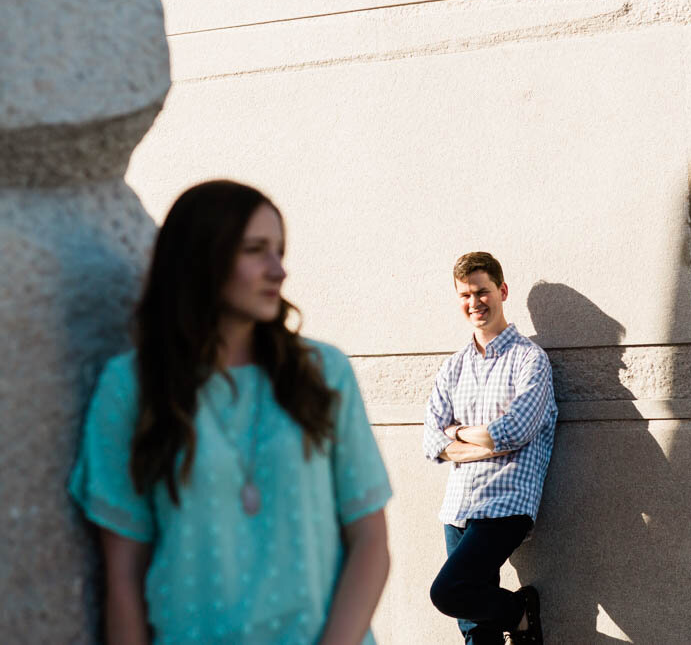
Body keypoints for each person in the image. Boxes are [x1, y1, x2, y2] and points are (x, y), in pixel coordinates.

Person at [69, 180, 392, 645]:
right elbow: (123, 576)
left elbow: (370, 542)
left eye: (280, 250)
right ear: (201, 258)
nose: (278, 270)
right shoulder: (131, 387)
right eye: (255, 250)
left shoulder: (324, 374)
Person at [423, 252, 557, 645]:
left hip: (505, 503)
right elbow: (432, 439)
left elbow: (515, 430)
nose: (474, 302)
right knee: (475, 630)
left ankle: (518, 612)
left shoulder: (530, 360)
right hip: (458, 507)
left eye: (482, 292)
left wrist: (457, 433)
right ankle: (512, 623)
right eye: (465, 295)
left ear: (502, 291)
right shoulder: (454, 367)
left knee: (449, 592)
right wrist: (483, 440)